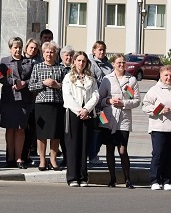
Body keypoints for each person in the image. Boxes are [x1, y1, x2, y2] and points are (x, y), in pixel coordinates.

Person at [142, 65, 171, 191]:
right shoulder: (154, 90)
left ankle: (167, 180)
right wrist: (159, 110)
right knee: (158, 154)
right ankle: (155, 180)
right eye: (166, 75)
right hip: (159, 127)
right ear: (161, 76)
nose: (169, 78)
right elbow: (145, 106)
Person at [97, 54, 140, 188]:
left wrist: (124, 103)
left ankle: (128, 179)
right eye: (118, 63)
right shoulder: (107, 79)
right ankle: (112, 179)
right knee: (110, 149)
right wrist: (109, 101)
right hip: (109, 118)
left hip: (123, 119)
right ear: (113, 64)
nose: (121, 65)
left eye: (123, 62)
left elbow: (136, 100)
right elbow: (99, 99)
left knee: (122, 150)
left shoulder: (131, 80)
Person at [62, 51, 99, 187]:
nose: (81, 63)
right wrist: (79, 110)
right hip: (73, 113)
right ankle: (72, 177)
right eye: (79, 60)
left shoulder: (91, 78)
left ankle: (83, 177)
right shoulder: (68, 77)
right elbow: (67, 96)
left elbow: (95, 95)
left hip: (87, 113)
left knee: (84, 145)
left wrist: (86, 109)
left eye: (83, 61)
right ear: (74, 62)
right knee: (73, 145)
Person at [28, 41, 65, 172]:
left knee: (55, 133)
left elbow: (67, 87)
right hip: (41, 104)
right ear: (43, 54)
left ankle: (53, 159)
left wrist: (57, 85)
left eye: (52, 52)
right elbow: (31, 86)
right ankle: (42, 160)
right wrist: (43, 83)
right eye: (47, 52)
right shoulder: (37, 67)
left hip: (57, 104)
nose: (49, 54)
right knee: (42, 133)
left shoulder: (61, 68)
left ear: (56, 54)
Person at [0, 37, 33, 168]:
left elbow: (33, 78)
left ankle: (19, 158)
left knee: (20, 130)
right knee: (10, 128)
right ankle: (10, 158)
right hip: (9, 99)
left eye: (19, 47)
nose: (17, 50)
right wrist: (13, 82)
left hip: (24, 99)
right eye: (15, 47)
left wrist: (25, 83)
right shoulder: (4, 61)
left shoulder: (28, 62)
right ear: (10, 49)